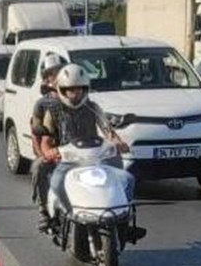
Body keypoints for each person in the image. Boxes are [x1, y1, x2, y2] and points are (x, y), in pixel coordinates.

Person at [35, 64, 131, 231]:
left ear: (85, 89)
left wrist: (118, 143)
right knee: (54, 181)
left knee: (127, 179)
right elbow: (46, 140)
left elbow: (108, 130)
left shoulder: (93, 108)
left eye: (79, 89)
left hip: (97, 158)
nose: (75, 94)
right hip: (68, 160)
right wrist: (49, 152)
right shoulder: (53, 110)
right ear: (61, 90)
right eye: (70, 90)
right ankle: (52, 213)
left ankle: (124, 219)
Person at [31, 53, 66, 231]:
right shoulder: (42, 105)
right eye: (52, 73)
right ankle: (44, 210)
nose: (56, 76)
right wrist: (43, 155)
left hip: (78, 152)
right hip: (51, 152)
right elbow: (37, 135)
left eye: (60, 71)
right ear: (46, 78)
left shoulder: (80, 97)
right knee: (39, 167)